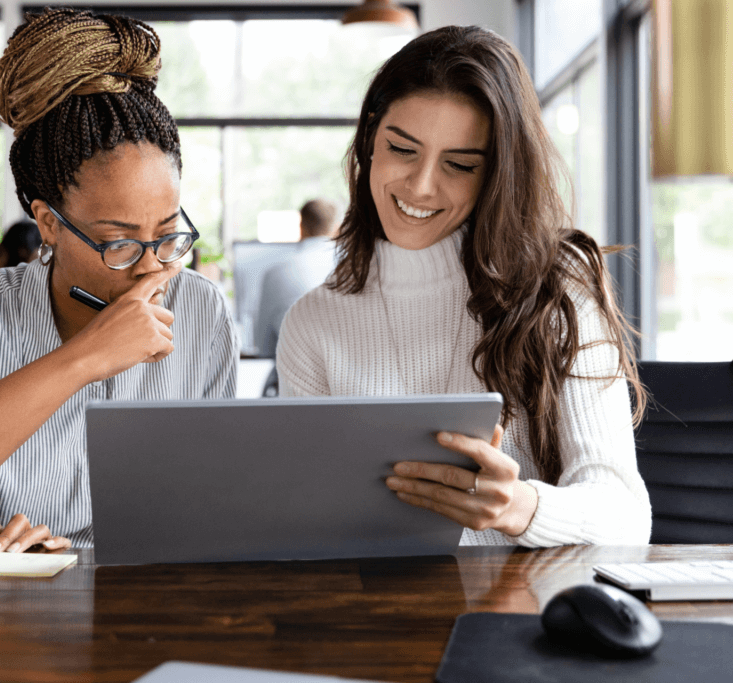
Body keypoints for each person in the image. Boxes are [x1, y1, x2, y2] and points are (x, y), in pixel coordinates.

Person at [276, 26, 651, 547]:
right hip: (376, 613)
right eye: (402, 149)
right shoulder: (312, 323)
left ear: (496, 174)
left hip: (522, 618)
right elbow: (308, 518)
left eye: (459, 164)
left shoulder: (558, 291)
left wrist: (521, 507)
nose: (422, 185)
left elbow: (627, 517)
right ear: (369, 140)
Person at [0, 8, 238, 554]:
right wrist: (83, 360)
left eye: (168, 235)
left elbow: (208, 508)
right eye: (119, 242)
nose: (152, 267)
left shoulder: (200, 311)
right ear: (49, 223)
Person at [254, 198, 340, 360]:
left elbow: (263, 346)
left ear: (301, 228)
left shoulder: (276, 273)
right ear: (337, 229)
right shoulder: (356, 269)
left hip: (294, 373)